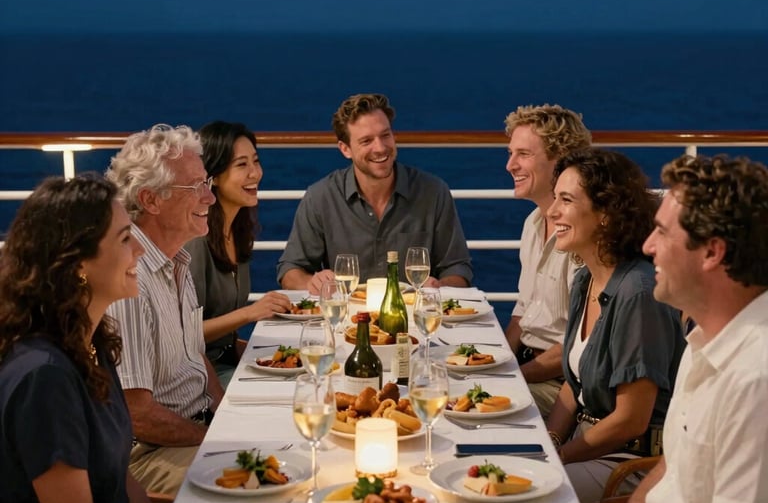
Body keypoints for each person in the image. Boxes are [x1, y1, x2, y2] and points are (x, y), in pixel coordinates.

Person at [597, 154, 768, 503]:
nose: (648, 246)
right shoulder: (706, 337)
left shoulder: (756, 378)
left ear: (712, 252)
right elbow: (673, 469)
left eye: (662, 232)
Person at [0, 175, 162, 503]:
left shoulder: (89, 345)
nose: (140, 250)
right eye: (125, 238)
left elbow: (118, 476)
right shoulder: (45, 376)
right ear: (77, 264)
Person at [546, 148, 685, 503]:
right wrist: (549, 442)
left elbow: (630, 420)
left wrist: (558, 459)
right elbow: (573, 384)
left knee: (524, 496)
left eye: (566, 200)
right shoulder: (586, 279)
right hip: (587, 446)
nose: (552, 211)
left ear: (606, 213)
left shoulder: (638, 293)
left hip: (629, 462)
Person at [106, 123, 224, 495]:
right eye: (196, 187)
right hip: (148, 455)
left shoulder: (176, 261)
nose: (210, 198)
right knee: (268, 478)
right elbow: (137, 415)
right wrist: (216, 440)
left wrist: (227, 416)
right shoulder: (130, 278)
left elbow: (195, 357)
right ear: (151, 200)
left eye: (207, 184)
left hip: (191, 431)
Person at [276, 92, 473, 294]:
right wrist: (312, 282)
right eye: (366, 141)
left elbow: (457, 268)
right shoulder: (321, 197)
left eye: (385, 135)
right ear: (345, 149)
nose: (380, 148)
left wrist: (440, 288)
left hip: (415, 311)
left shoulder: (433, 192)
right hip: (346, 313)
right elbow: (290, 269)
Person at [186, 121, 292, 389]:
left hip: (227, 362)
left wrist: (273, 355)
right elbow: (183, 334)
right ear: (213, 175)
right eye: (242, 165)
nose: (255, 173)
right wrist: (250, 313)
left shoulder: (238, 231)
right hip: (198, 375)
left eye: (256, 161)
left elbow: (225, 340)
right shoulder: (196, 240)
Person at [503, 104, 592, 417]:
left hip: (561, 384)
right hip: (527, 367)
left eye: (523, 154)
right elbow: (522, 311)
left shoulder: (583, 235)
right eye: (511, 153)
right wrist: (498, 363)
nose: (510, 165)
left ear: (561, 160)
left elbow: (581, 344)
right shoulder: (533, 223)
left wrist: (513, 377)